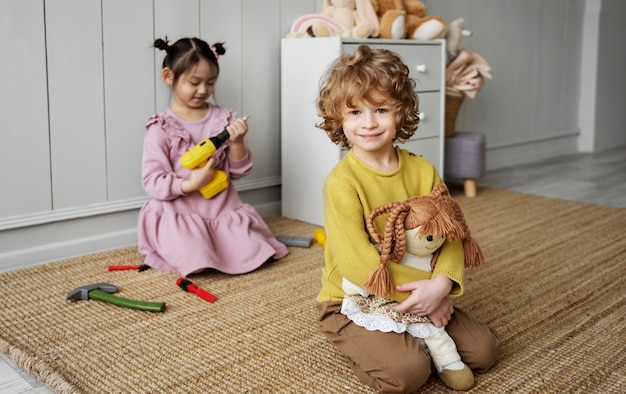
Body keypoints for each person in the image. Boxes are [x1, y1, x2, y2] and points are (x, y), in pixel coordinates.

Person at [315, 45, 500, 393]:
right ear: (339, 117)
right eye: (355, 112)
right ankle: (361, 340)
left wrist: (441, 286)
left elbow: (452, 234)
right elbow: (359, 264)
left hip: (422, 290)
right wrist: (425, 294)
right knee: (409, 374)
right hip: (353, 298)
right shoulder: (340, 183)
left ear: (401, 112)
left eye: (381, 109)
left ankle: (418, 336)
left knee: (485, 350)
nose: (368, 123)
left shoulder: (423, 169)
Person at [137, 37, 288, 277]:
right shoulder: (161, 127)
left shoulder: (224, 120)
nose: (203, 90)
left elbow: (238, 172)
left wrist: (237, 142)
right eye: (194, 82)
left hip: (221, 207)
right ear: (169, 76)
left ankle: (222, 243)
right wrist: (190, 184)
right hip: (180, 211)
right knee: (192, 253)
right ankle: (199, 245)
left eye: (210, 82)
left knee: (254, 250)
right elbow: (153, 181)